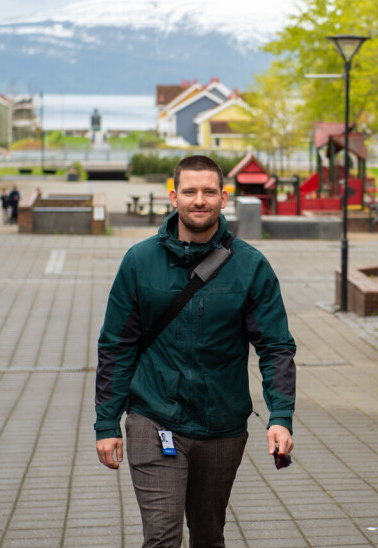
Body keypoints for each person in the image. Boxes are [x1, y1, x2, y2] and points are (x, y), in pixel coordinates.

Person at [95, 155, 296, 547]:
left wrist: (281, 416)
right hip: (154, 420)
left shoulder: (251, 266)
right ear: (174, 197)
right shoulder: (139, 261)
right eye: (189, 191)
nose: (199, 200)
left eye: (208, 192)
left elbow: (275, 347)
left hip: (222, 427)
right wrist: (107, 423)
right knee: (163, 536)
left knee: (207, 535)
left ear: (224, 197)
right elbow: (116, 346)